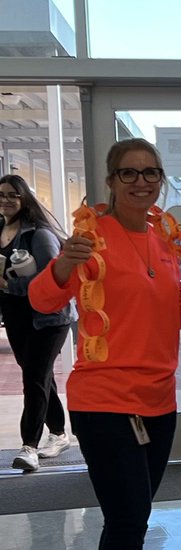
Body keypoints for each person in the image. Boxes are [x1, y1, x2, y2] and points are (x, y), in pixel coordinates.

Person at [29, 138, 181, 550]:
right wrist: (61, 267)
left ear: (161, 179)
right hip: (104, 399)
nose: (141, 182)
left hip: (159, 399)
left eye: (150, 172)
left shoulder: (164, 239)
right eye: (128, 173)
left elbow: (176, 311)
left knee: (136, 518)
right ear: (110, 180)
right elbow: (42, 301)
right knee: (127, 518)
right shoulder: (90, 239)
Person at [0, 174, 73, 471]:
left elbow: (51, 278)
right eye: (1, 195)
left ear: (24, 199)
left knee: (33, 377)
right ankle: (59, 433)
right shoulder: (1, 230)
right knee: (39, 376)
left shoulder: (39, 234)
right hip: (16, 316)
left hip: (49, 318)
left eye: (12, 195)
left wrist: (8, 285)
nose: (5, 200)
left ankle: (28, 446)